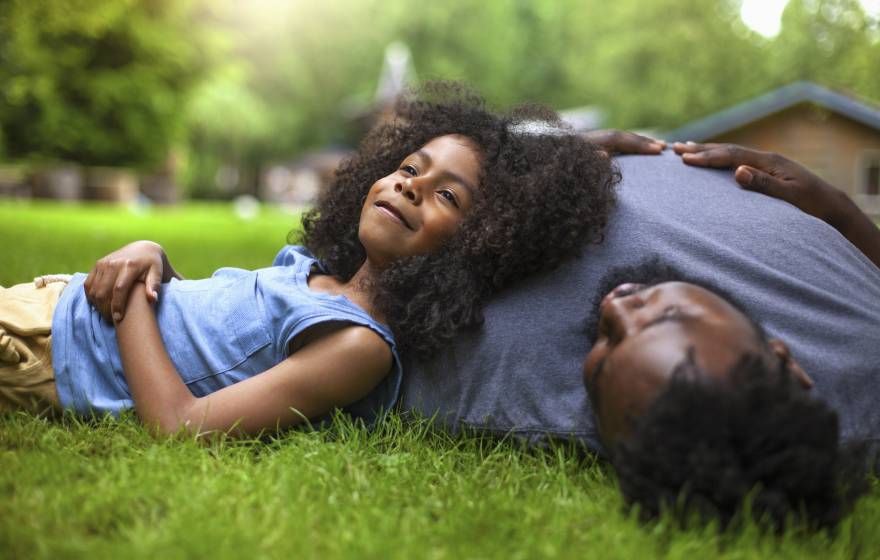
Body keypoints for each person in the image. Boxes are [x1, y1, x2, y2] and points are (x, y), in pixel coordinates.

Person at [0, 83, 619, 437]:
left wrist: (129, 298)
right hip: (54, 301)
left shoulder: (360, 346)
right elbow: (206, 333)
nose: (410, 186)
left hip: (49, 352)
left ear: (481, 242)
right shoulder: (310, 272)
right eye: (409, 168)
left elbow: (179, 423)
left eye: (448, 196)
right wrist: (152, 255)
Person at [401, 140, 880, 527]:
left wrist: (536, 158)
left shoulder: (505, 372)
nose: (618, 308)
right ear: (783, 358)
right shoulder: (859, 350)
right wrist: (839, 211)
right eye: (669, 317)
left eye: (603, 361)